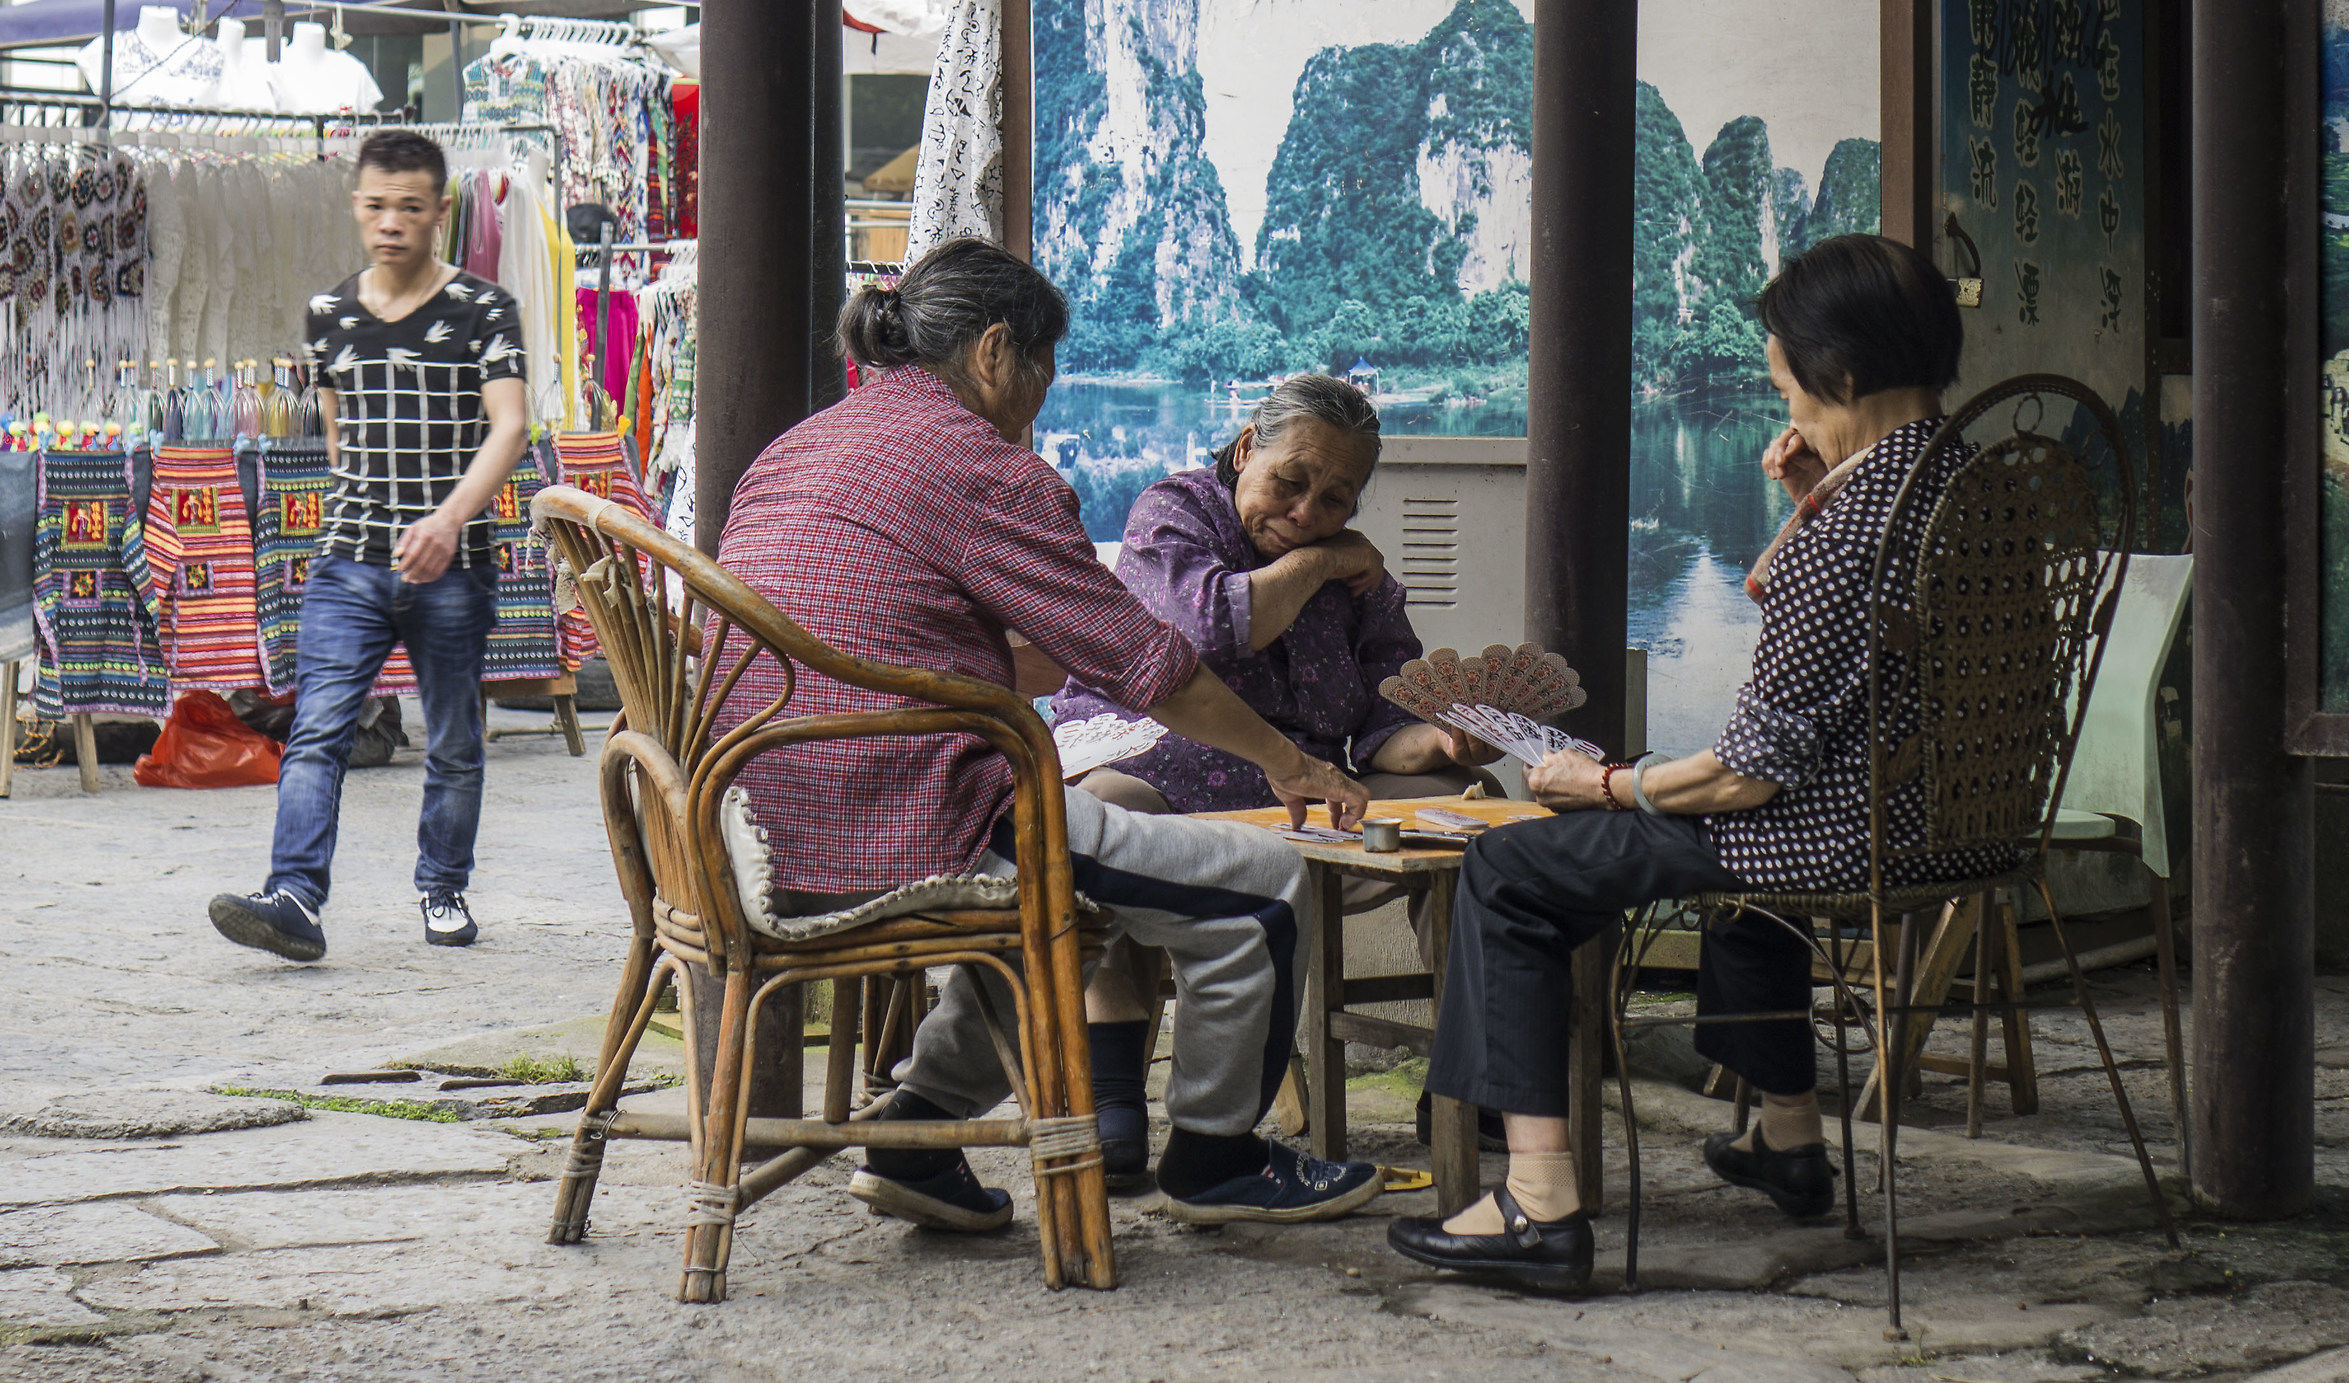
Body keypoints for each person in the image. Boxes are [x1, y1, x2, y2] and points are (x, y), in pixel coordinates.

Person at [712, 237, 1386, 1233]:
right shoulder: (986, 469)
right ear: (995, 351)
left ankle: (924, 1131)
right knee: (1266, 889)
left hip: (744, 827)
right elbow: (1150, 668)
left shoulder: (795, 445)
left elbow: (864, 627)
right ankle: (1218, 1154)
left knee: (1075, 897)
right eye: (1045, 365)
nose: (1044, 392)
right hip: (904, 820)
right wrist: (1290, 763)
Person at [1387, 234, 2006, 1294]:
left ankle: (1537, 1201)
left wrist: (1610, 782)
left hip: (1829, 829)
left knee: (1510, 873)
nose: (1789, 410)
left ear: (1841, 376)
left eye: (1790, 387)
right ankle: (1787, 1137)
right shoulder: (1971, 485)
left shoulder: (1849, 531)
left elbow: (1750, 776)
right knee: (1726, 874)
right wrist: (1813, 494)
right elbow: (1850, 652)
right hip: (1959, 822)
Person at [1048, 372, 1498, 1180]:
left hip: (1303, 791)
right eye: (1291, 483)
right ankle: (1111, 1093)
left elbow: (1384, 723)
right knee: (1108, 816)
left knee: (1472, 813)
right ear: (1247, 447)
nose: (1305, 513)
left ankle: (1467, 1075)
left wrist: (1443, 744)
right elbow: (1213, 624)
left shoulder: (1358, 579)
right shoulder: (1173, 511)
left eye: (1335, 500)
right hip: (1156, 765)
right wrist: (1324, 558)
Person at [209, 129, 527, 963]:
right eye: (378, 206)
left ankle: (442, 885)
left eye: (411, 208)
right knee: (317, 727)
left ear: (440, 213)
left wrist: (449, 518)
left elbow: (512, 424)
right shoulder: (331, 316)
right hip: (349, 560)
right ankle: (294, 898)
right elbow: (341, 432)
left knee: (454, 736)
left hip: (452, 565)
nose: (393, 224)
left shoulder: (484, 310)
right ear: (357, 207)